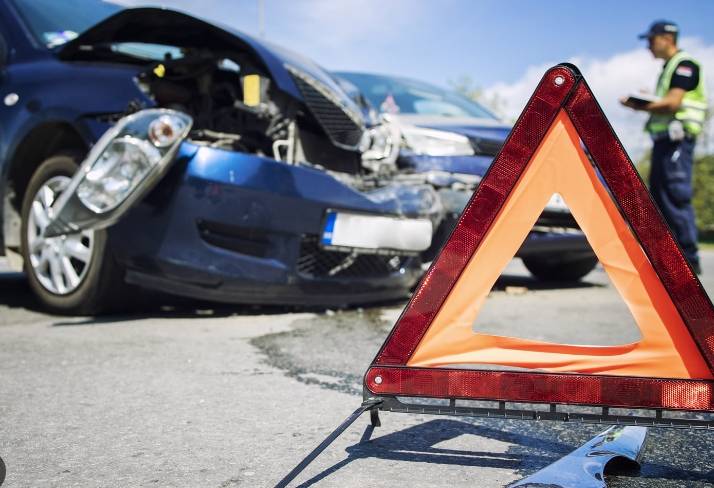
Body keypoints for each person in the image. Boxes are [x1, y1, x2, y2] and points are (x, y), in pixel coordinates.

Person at [621, 20, 707, 275]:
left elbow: (672, 103)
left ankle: (688, 262)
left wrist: (640, 105)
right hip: (664, 143)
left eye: (651, 40)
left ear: (667, 38)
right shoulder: (669, 68)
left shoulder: (684, 65)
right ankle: (669, 260)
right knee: (660, 197)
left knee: (675, 196)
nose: (648, 45)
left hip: (676, 142)